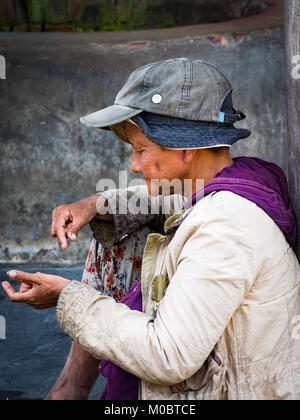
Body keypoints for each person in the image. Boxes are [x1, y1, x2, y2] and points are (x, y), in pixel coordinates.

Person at [3, 58, 300, 400]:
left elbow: (168, 356)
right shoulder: (237, 180)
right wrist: (93, 205)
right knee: (120, 229)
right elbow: (165, 201)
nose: (133, 164)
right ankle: (67, 392)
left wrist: (67, 298)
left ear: (184, 148)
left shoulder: (225, 227)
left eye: (142, 149)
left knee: (116, 257)